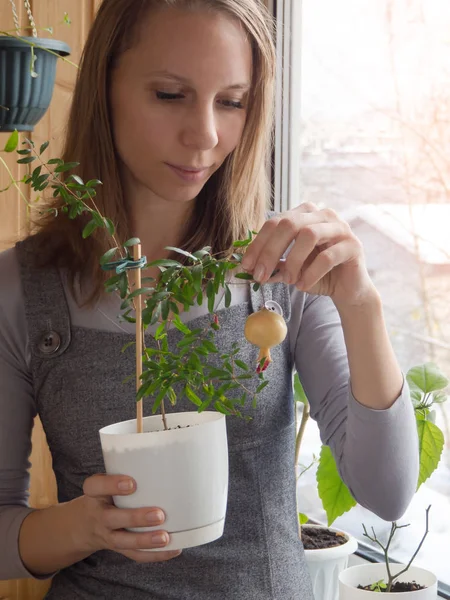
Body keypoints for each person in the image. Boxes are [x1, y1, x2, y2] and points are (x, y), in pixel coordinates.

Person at [0, 0, 419, 598]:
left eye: (232, 101)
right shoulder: (21, 288)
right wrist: (85, 526)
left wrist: (361, 303)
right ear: (105, 91)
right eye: (170, 94)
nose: (205, 134)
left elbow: (388, 491)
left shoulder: (284, 268)